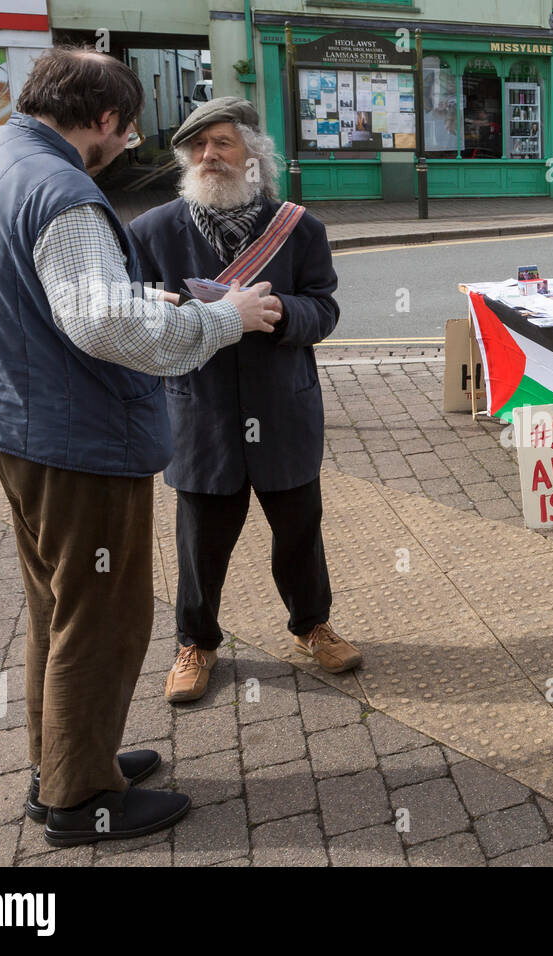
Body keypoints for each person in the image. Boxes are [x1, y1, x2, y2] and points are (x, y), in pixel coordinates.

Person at [0, 48, 281, 845]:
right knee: (101, 619)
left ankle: (59, 763)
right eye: (125, 132)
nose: (126, 146)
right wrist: (222, 321)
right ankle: (81, 798)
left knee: (54, 608)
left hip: (8, 418)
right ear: (102, 120)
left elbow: (40, 295)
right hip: (75, 434)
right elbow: (104, 325)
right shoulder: (64, 192)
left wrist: (129, 297)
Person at [126, 98, 361, 706]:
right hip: (199, 413)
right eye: (197, 147)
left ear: (254, 156)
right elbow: (134, 310)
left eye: (223, 144)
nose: (210, 157)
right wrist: (177, 311)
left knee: (299, 535)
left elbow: (325, 308)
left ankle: (312, 626)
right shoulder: (151, 231)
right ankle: (195, 642)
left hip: (283, 410)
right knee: (200, 542)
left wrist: (282, 312)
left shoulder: (298, 227)